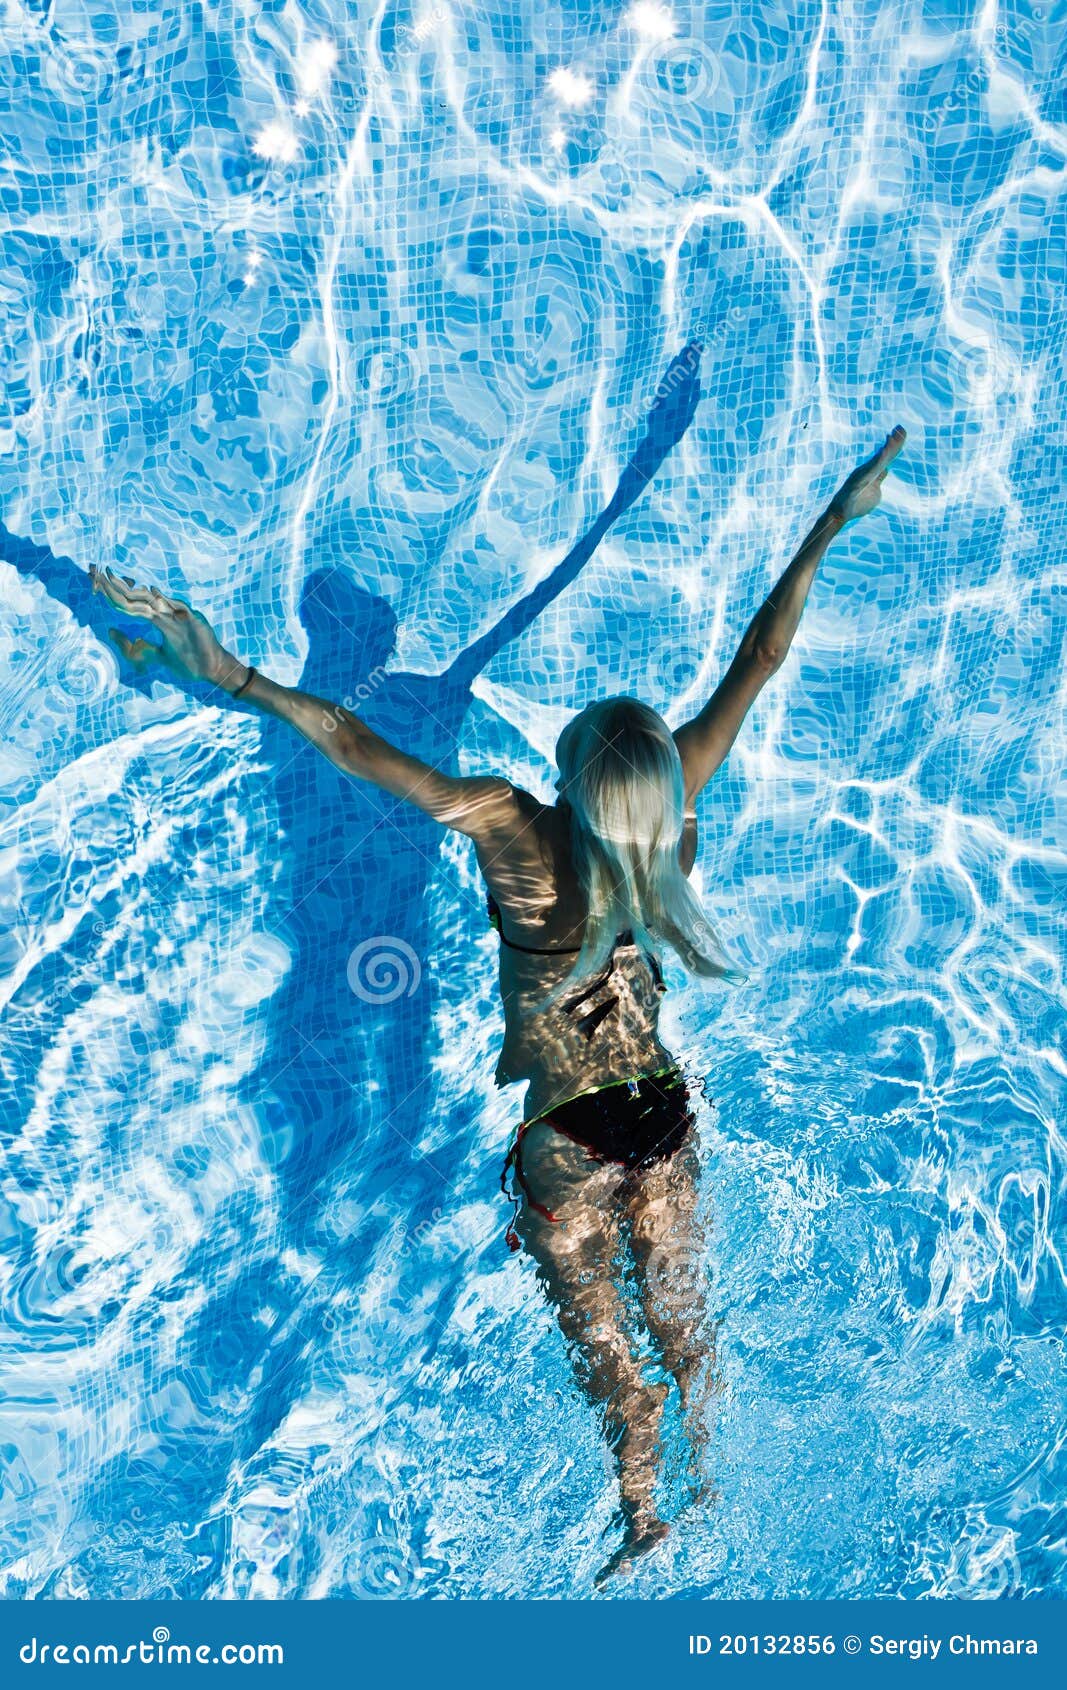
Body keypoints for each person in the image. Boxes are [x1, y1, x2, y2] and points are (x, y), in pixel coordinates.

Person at [92, 423, 906, 1579]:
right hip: (659, 1115)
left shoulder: (516, 831)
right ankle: (715, 1473)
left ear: (572, 780)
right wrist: (832, 518)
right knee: (684, 1330)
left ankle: (641, 1517)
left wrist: (229, 674)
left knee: (607, 1355)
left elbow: (354, 739)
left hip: (564, 1142)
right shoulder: (671, 822)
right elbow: (760, 658)